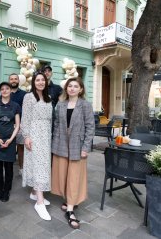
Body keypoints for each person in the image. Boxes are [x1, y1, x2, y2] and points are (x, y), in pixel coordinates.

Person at [51, 77, 95, 229]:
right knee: (63, 174)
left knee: (75, 176)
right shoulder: (61, 105)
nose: (72, 88)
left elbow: (90, 127)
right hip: (62, 143)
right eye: (70, 86)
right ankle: (69, 199)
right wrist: (55, 143)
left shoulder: (85, 105)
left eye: (76, 86)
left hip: (78, 144)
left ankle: (70, 210)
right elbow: (56, 125)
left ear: (81, 89)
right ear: (66, 88)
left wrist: (85, 148)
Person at [21, 72, 53, 221]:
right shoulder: (29, 97)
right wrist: (26, 136)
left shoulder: (49, 98)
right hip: (34, 135)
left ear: (46, 82)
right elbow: (25, 118)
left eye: (42, 80)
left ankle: (35, 193)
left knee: (43, 165)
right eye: (37, 80)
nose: (40, 82)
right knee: (39, 166)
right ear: (34, 82)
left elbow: (50, 120)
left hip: (45, 136)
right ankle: (39, 202)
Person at [0, 82, 20, 202]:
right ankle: (0, 189)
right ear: (0, 91)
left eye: (7, 88)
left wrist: (10, 139)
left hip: (10, 140)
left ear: (10, 90)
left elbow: (17, 125)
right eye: (2, 89)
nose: (5, 90)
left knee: (9, 167)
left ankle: (6, 190)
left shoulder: (15, 106)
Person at [9, 73, 26, 176]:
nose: (14, 81)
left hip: (21, 125)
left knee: (21, 147)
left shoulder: (24, 94)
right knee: (9, 147)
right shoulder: (5, 93)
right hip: (8, 125)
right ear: (9, 81)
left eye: (15, 79)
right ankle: (8, 168)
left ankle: (21, 168)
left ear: (18, 81)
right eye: (12, 79)